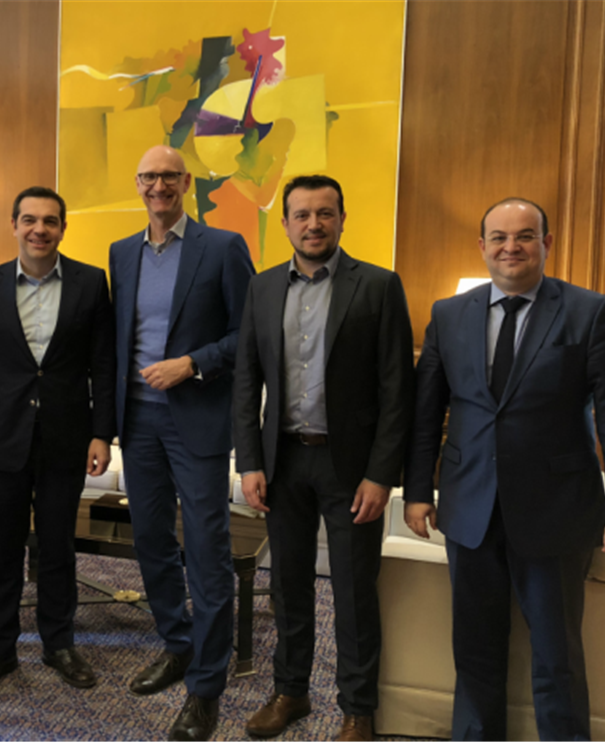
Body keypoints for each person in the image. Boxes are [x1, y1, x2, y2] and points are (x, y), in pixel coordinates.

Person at [405, 198, 605, 741]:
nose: (510, 247)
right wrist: (418, 491)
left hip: (556, 512)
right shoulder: (449, 314)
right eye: (498, 237)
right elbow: (426, 414)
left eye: (524, 236)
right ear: (482, 246)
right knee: (473, 649)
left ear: (546, 243)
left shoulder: (590, 311)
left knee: (556, 656)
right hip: (469, 509)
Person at [232, 175, 415, 742]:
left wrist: (381, 475)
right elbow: (246, 380)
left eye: (325, 213)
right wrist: (249, 462)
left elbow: (397, 390)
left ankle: (358, 710)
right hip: (283, 463)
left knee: (354, 592)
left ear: (341, 218)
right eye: (302, 215)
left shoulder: (378, 286)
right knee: (288, 585)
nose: (314, 224)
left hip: (351, 469)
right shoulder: (263, 287)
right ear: (286, 223)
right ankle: (290, 692)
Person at [109, 145, 255, 742]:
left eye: (169, 176)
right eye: (149, 176)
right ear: (138, 183)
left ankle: (206, 685)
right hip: (137, 423)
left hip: (196, 421)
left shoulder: (222, 247)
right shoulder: (122, 253)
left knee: (206, 550)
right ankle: (177, 643)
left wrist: (191, 363)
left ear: (186, 181)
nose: (159, 186)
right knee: (149, 539)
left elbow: (247, 334)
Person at [0, 186, 115, 699]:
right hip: (1, 439)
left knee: (57, 546)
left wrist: (102, 433)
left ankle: (58, 643)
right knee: (2, 548)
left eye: (49, 221)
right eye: (29, 220)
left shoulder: (91, 282)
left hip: (66, 438)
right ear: (14, 225)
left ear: (63, 228)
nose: (39, 230)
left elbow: (103, 365)